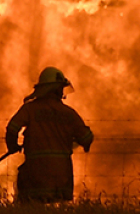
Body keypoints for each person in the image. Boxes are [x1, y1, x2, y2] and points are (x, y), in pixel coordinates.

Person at [5, 66, 94, 202]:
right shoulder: (69, 113)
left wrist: (13, 146)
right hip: (61, 176)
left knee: (31, 208)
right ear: (56, 89)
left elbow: (12, 129)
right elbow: (86, 137)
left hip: (35, 174)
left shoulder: (30, 109)